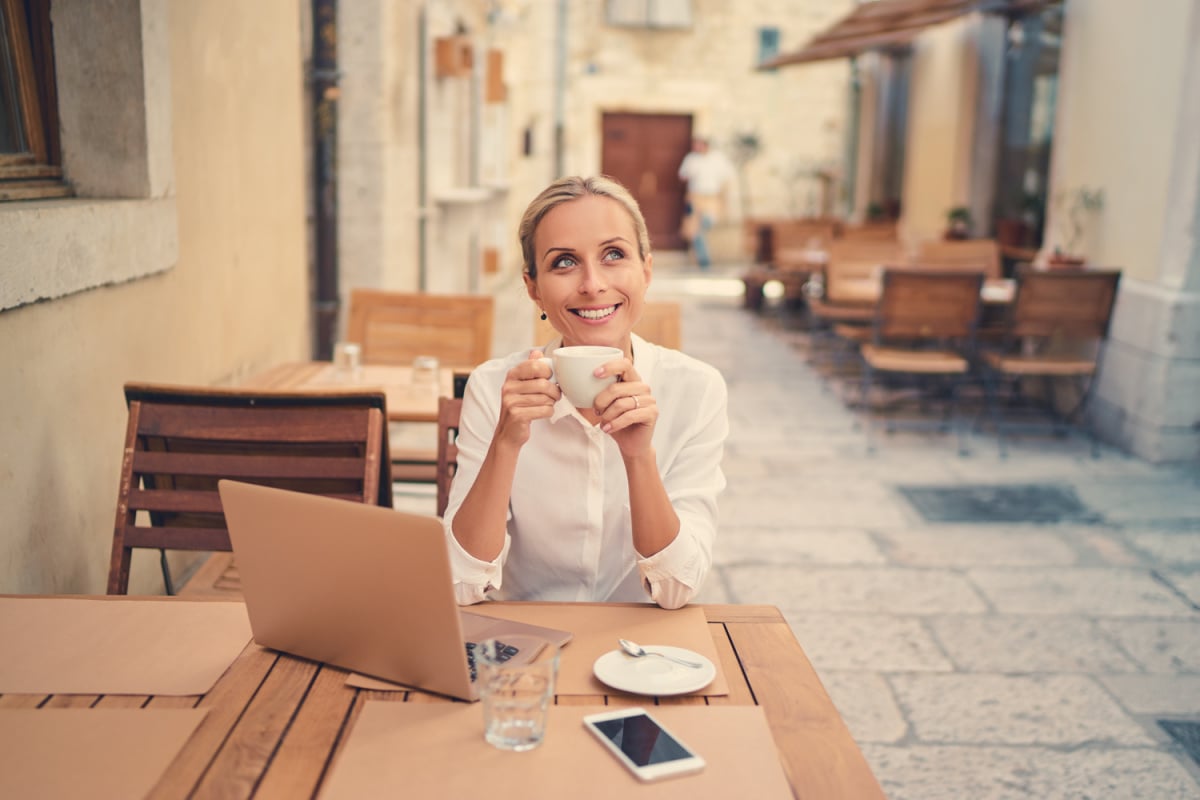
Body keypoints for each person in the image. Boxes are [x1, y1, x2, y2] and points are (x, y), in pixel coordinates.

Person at [442, 175, 728, 610]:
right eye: (563, 262)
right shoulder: (494, 386)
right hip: (523, 647)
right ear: (533, 287)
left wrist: (638, 457)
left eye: (614, 254)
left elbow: (678, 589)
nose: (593, 284)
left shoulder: (697, 390)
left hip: (642, 651)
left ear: (646, 271)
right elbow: (460, 585)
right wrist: (506, 443)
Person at [677, 137, 734, 269]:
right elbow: (683, 175)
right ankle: (704, 260)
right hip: (695, 197)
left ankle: (704, 257)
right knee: (695, 230)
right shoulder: (691, 159)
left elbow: (726, 177)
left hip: (712, 197)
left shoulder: (717, 158)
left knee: (706, 224)